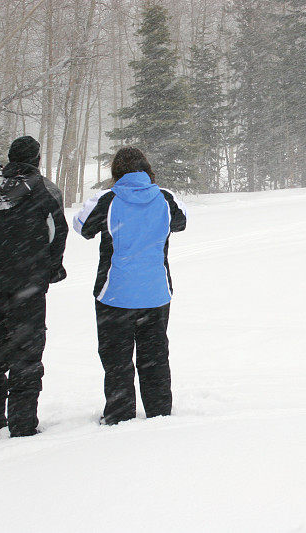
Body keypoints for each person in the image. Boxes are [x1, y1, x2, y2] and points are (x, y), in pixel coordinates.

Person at [0, 135, 68, 442]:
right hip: (29, 285)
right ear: (36, 160)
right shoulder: (45, 191)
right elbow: (56, 236)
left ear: (9, 159)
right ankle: (22, 424)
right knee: (27, 353)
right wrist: (46, 268)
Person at [73, 146, 187, 425]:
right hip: (156, 293)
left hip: (115, 294)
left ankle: (120, 414)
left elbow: (81, 227)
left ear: (116, 172)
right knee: (156, 357)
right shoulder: (165, 198)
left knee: (117, 360)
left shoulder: (107, 200)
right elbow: (182, 222)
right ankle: (159, 411)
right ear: (147, 170)